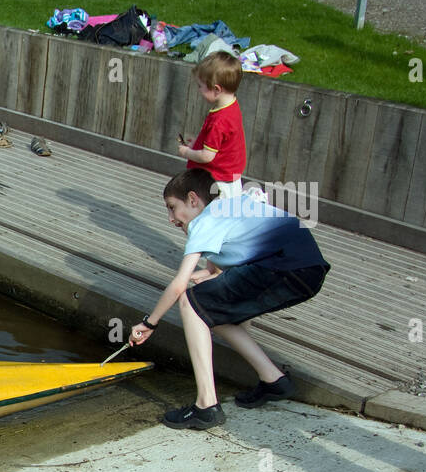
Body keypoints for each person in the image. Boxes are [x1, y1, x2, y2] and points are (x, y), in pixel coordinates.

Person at [129, 168, 329, 430]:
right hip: (309, 271)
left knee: (191, 302)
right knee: (210, 309)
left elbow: (179, 285)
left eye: (171, 207)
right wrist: (211, 275)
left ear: (193, 199)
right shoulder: (229, 208)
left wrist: (149, 323)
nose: (170, 218)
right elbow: (233, 254)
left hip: (283, 269)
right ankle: (274, 380)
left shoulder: (204, 221)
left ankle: (206, 406)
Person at [178, 52, 246, 199]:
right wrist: (198, 143)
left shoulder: (219, 120)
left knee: (210, 218)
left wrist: (186, 152)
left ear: (216, 89)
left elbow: (207, 156)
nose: (198, 90)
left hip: (216, 182)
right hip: (229, 178)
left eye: (200, 86)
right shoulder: (232, 106)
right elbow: (221, 143)